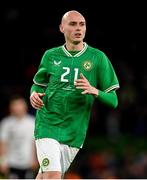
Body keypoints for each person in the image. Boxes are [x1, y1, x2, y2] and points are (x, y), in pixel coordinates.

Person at [30, 10, 120, 179]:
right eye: (72, 24)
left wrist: (95, 91)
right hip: (47, 123)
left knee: (44, 176)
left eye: (82, 24)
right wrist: (33, 94)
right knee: (53, 175)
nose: (78, 28)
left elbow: (113, 100)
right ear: (61, 28)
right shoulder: (50, 55)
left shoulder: (97, 57)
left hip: (74, 131)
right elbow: (38, 85)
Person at [0, 95, 39, 179]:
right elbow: (3, 143)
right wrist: (2, 161)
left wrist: (35, 159)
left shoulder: (32, 122)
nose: (17, 107)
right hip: (11, 163)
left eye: (19, 104)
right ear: (11, 107)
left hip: (28, 163)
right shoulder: (6, 123)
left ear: (25, 106)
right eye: (15, 105)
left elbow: (35, 142)